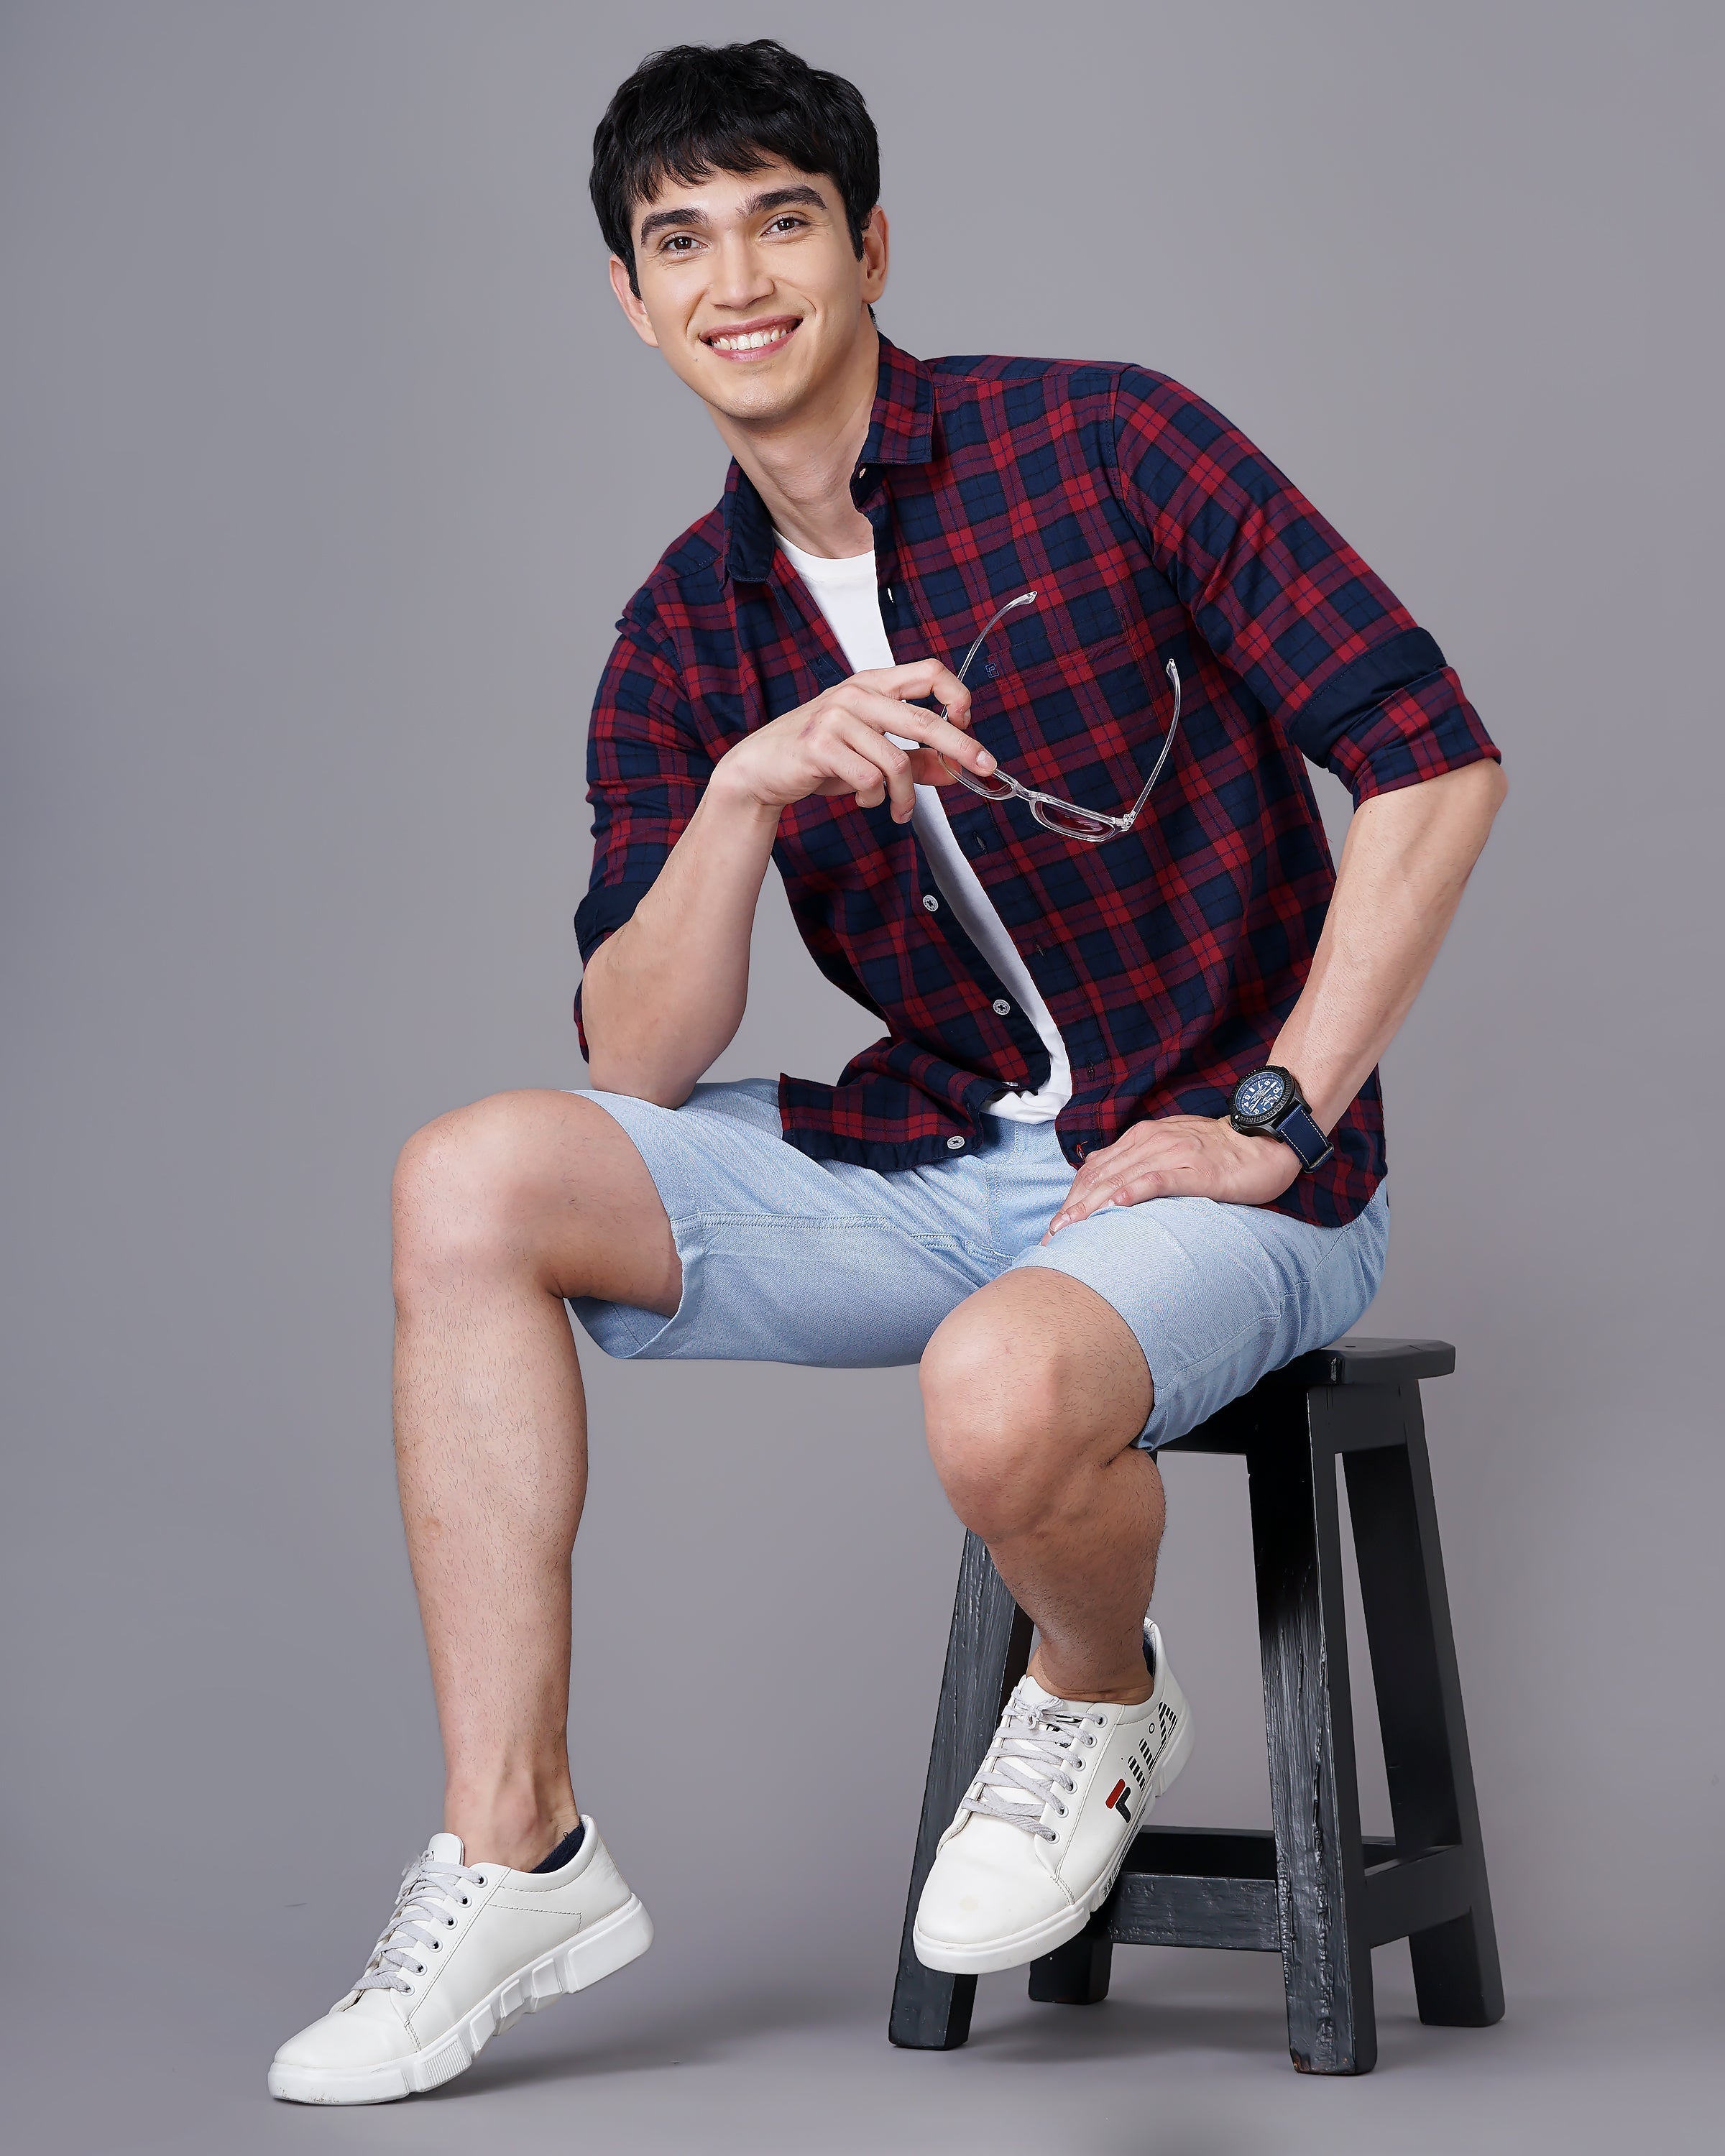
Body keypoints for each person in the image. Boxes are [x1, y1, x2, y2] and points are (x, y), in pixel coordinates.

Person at [269, 37, 1506, 2105]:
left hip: (1223, 1163)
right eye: (682, 241)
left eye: (782, 222)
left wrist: (1278, 1114)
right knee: (466, 1179)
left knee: (999, 1386)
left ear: (868, 249)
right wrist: (741, 795)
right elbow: (641, 1056)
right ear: (631, 298)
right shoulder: (684, 633)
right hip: (935, 1161)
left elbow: (1432, 758)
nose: (737, 278)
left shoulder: (1104, 447)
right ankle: (516, 1848)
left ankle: (1098, 1691)